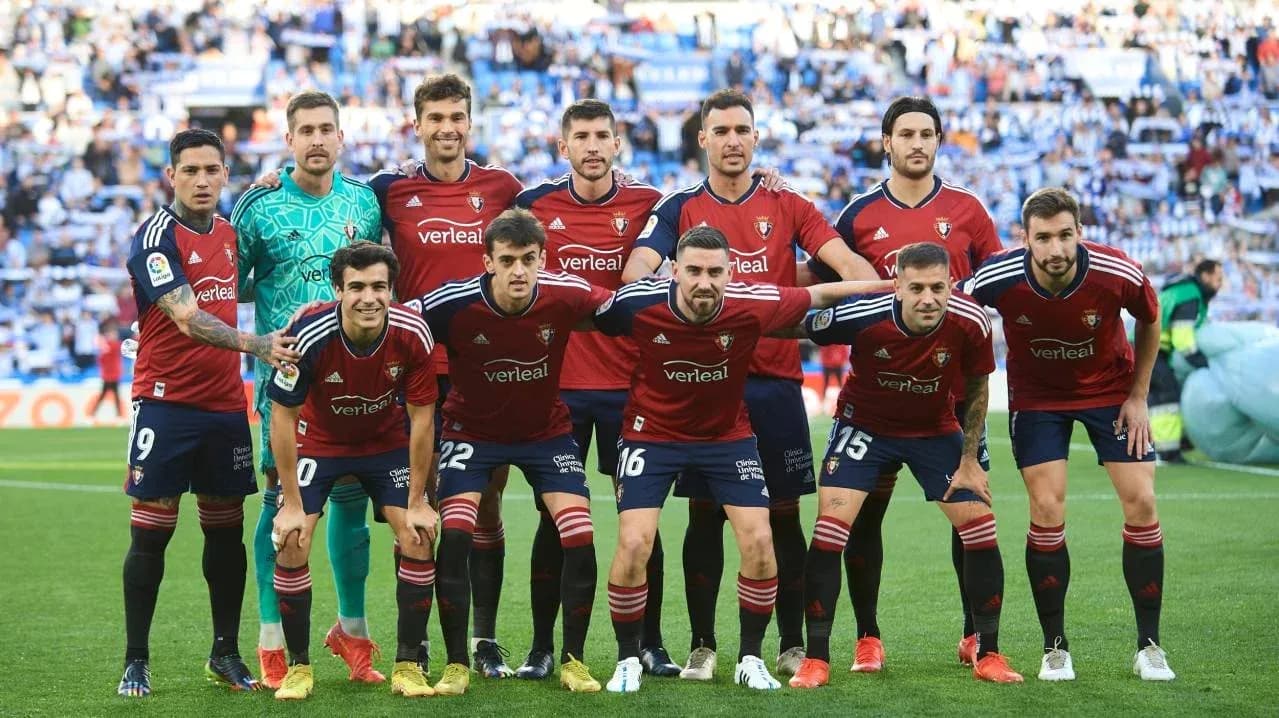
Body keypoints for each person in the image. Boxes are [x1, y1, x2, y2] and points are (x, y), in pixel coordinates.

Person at [620, 88, 879, 679]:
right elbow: (637, 270)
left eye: (744, 129)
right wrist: (679, 294)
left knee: (782, 517)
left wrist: (863, 306)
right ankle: (705, 644)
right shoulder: (681, 205)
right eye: (722, 130)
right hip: (704, 387)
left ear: (757, 137)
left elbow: (849, 269)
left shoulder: (787, 202)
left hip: (773, 384)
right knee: (705, 515)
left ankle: (789, 642)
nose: (733, 140)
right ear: (703, 139)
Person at [595, 226, 889, 693]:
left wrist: (891, 287)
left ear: (730, 274)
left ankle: (750, 657)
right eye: (693, 271)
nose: (704, 282)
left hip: (726, 439)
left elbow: (818, 294)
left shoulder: (750, 302)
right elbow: (578, 309)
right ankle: (627, 658)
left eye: (715, 272)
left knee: (759, 541)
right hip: (650, 436)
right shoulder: (638, 303)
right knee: (634, 543)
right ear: (674, 271)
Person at [805, 95, 1006, 671]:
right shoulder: (858, 215)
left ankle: (975, 634)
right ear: (887, 142)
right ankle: (866, 635)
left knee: (966, 508)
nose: (917, 143)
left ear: (938, 141)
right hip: (876, 398)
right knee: (862, 516)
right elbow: (829, 290)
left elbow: (990, 287)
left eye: (927, 133)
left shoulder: (969, 210)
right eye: (906, 134)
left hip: (950, 403)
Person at [788, 242, 1021, 688]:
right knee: (831, 529)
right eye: (916, 287)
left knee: (980, 525)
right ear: (897, 286)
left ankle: (987, 651)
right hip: (865, 427)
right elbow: (799, 325)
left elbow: (977, 386)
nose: (928, 298)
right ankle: (819, 658)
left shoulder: (970, 320)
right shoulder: (863, 314)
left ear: (951, 285)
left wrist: (970, 458)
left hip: (934, 429)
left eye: (937, 286)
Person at [119, 128, 299, 698]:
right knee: (152, 534)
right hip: (166, 405)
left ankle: (225, 651)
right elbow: (187, 317)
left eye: (211, 170)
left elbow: (256, 267)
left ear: (225, 174)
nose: (201, 180)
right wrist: (259, 345)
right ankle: (136, 659)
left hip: (225, 407)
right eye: (190, 170)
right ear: (171, 176)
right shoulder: (153, 238)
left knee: (225, 535)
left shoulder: (228, 232)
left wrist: (272, 184)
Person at [967, 187, 1174, 682]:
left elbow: (1150, 316)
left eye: (1065, 235)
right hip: (1038, 399)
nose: (1056, 249)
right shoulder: (996, 275)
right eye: (1043, 238)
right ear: (1025, 240)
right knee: (1046, 509)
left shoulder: (1115, 271)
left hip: (1111, 392)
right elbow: (953, 310)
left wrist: (1139, 395)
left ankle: (1149, 646)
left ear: (1080, 233)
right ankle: (1054, 648)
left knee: (1143, 503)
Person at [512, 99, 680, 679]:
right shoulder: (533, 206)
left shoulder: (651, 205)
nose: (591, 146)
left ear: (617, 144)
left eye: (601, 136)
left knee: (642, 520)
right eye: (579, 136)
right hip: (557, 390)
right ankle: (542, 648)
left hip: (633, 390)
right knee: (554, 521)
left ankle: (650, 643)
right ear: (564, 146)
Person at [369, 74, 525, 678]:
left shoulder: (504, 188)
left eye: (457, 116)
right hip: (415, 374)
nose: (447, 128)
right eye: (436, 118)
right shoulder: (390, 190)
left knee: (483, 505)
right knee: (419, 505)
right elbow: (330, 191)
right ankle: (419, 639)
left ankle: (482, 640)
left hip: (488, 372)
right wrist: (276, 175)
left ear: (470, 122)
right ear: (418, 125)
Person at [416, 208, 610, 696]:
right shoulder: (453, 303)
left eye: (528, 259)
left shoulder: (567, 293)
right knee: (456, 534)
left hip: (545, 433)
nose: (519, 270)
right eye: (507, 260)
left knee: (580, 534)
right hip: (471, 433)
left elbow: (626, 307)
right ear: (488, 261)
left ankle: (573, 661)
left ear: (543, 259)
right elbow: (398, 325)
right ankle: (458, 663)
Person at [231, 90, 385, 689]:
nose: (317, 139)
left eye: (327, 129)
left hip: (356, 378)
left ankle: (351, 629)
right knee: (279, 502)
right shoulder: (259, 207)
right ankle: (271, 638)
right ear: (288, 140)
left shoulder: (364, 204)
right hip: (286, 381)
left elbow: (380, 285)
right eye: (306, 130)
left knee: (350, 502)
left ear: (341, 138)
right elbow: (229, 284)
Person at [267, 242, 440, 700]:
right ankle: (300, 668)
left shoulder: (413, 333)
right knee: (291, 538)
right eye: (357, 287)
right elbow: (281, 416)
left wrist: (419, 501)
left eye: (379, 287)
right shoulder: (309, 334)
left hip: (384, 444)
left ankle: (407, 666)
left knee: (419, 536)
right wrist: (289, 503)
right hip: (320, 443)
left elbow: (423, 416)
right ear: (338, 290)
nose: (369, 298)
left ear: (392, 290)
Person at [1149, 259, 1224, 464]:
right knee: (1167, 396)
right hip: (1149, 350)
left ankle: (1161, 446)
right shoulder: (1190, 295)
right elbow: (1184, 341)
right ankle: (1170, 452)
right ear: (1206, 276)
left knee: (1157, 399)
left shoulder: (1182, 291)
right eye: (1218, 278)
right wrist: (1205, 364)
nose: (1221, 284)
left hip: (1142, 348)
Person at [91, 317, 124, 420]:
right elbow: (100, 360)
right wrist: (103, 348)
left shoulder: (115, 345)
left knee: (115, 395)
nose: (113, 336)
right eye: (111, 334)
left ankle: (118, 416)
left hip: (114, 374)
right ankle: (93, 414)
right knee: (106, 395)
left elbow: (114, 350)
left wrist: (103, 347)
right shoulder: (105, 346)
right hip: (107, 375)